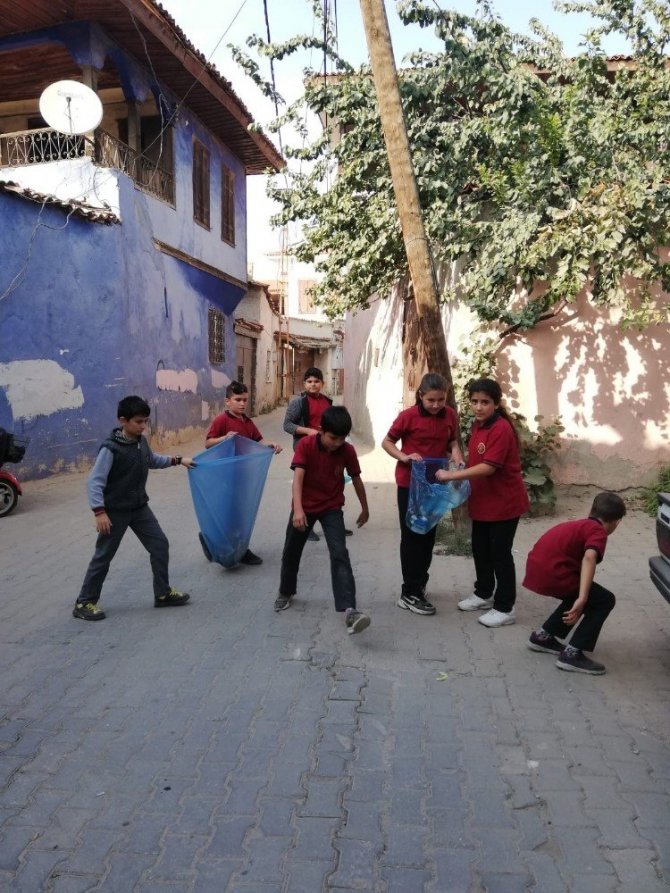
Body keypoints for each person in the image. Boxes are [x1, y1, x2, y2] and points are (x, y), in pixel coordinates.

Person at [73, 395, 195, 621]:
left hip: (139, 509)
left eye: (146, 421)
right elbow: (95, 482)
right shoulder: (111, 448)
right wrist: (99, 512)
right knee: (104, 556)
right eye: (139, 422)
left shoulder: (141, 441)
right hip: (114, 513)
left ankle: (163, 594)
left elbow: (152, 460)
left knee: (159, 545)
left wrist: (178, 460)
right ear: (123, 420)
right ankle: (84, 602)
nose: (143, 426)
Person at [436, 378, 529, 627]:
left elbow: (489, 467)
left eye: (485, 402)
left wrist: (452, 476)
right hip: (483, 502)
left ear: (496, 404)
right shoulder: (479, 425)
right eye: (474, 401)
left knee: (500, 554)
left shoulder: (501, 429)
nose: (478, 407)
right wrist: (461, 466)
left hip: (504, 503)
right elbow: (478, 460)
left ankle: (505, 608)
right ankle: (484, 593)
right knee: (480, 549)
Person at [274, 405, 371, 635]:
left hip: (331, 507)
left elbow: (356, 479)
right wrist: (298, 510)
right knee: (291, 551)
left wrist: (365, 508)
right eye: (333, 438)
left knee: (340, 554)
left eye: (342, 438)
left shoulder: (347, 450)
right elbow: (298, 479)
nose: (337, 443)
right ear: (321, 431)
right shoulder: (306, 445)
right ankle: (286, 592)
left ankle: (350, 610)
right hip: (305, 507)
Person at [382, 372, 464, 616]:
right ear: (421, 396)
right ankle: (409, 592)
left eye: (441, 400)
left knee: (428, 535)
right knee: (412, 535)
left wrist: (456, 453)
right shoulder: (407, 416)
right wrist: (404, 457)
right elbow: (387, 442)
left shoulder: (450, 415)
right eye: (431, 400)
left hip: (435, 483)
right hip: (410, 485)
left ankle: (419, 583)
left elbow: (452, 441)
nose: (436, 405)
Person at [523, 491, 626, 675]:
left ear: (591, 511)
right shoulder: (598, 531)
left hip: (537, 570)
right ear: (617, 522)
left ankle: (543, 637)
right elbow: (589, 557)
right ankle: (572, 655)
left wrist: (582, 595)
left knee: (582, 593)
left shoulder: (579, 525)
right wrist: (583, 597)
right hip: (553, 575)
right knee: (604, 599)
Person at [205, 380, 282, 566]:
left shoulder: (247, 421)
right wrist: (224, 438)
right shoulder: (222, 420)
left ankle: (213, 541)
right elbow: (208, 443)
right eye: (238, 399)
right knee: (234, 515)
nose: (242, 404)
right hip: (226, 477)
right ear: (227, 401)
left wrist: (271, 445)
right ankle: (240, 550)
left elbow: (259, 441)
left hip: (244, 476)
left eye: (245, 400)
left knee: (240, 513)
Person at [283, 366, 352, 541]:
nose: (313, 385)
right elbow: (287, 425)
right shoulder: (299, 403)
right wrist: (308, 431)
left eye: (316, 381)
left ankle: (335, 524)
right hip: (306, 449)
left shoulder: (327, 401)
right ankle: (305, 526)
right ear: (304, 383)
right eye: (309, 381)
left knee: (333, 485)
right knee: (308, 487)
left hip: (328, 449)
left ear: (322, 383)